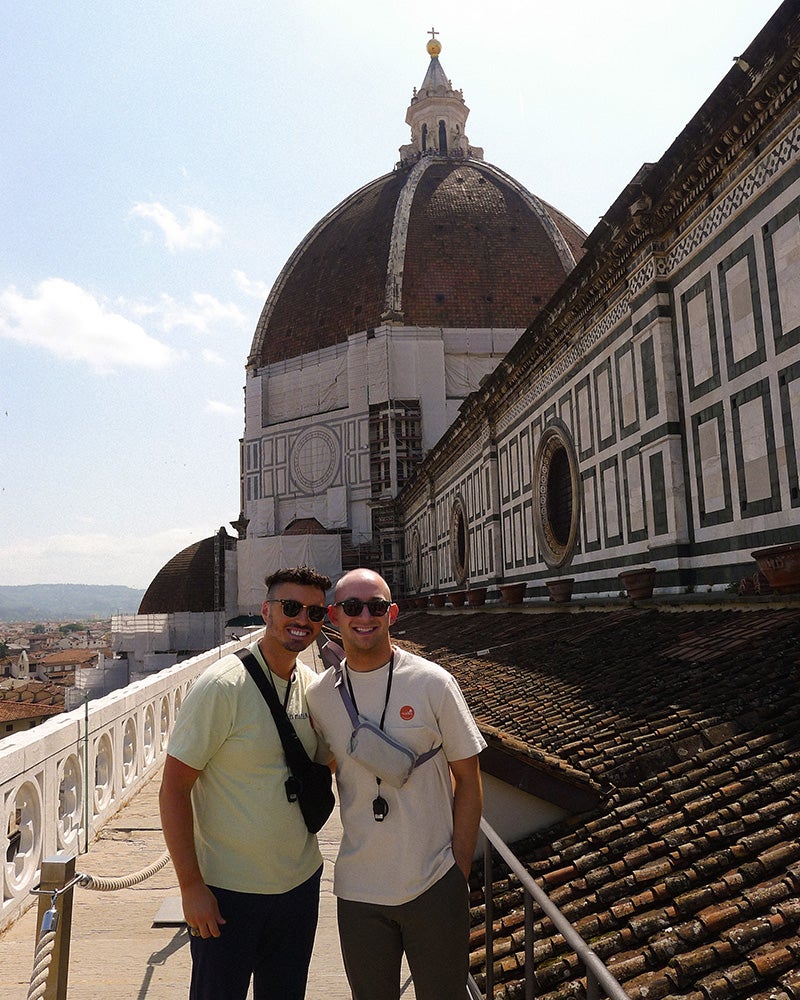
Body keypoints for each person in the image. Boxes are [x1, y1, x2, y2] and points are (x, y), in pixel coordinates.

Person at [306, 568, 486, 1000]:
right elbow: (319, 768)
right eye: (352, 607)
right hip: (358, 892)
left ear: (393, 613)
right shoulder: (319, 697)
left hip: (434, 884)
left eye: (376, 606)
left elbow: (469, 779)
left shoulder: (433, 683)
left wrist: (456, 872)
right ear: (333, 615)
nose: (364, 616)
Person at [159, 564, 332, 1000]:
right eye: (290, 607)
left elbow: (322, 764)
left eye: (315, 613)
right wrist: (191, 888)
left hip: (299, 886)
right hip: (228, 894)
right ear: (266, 611)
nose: (302, 620)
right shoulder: (221, 687)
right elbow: (174, 789)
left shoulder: (310, 686)